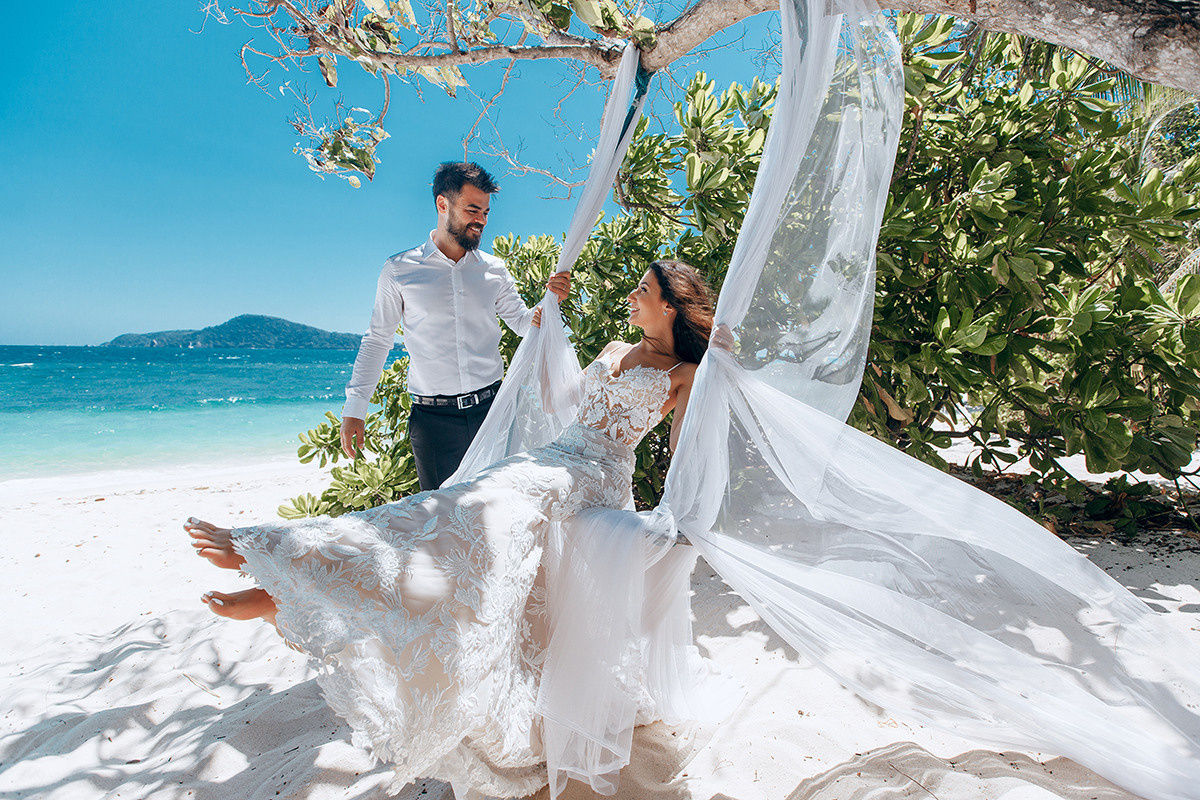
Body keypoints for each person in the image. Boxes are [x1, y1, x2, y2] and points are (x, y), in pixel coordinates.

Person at [185, 260, 717, 798]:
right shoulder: (610, 351)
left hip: (595, 477)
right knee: (449, 503)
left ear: (669, 305)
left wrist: (681, 511)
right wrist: (546, 322)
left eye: (643, 289)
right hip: (555, 455)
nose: (631, 293)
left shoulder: (686, 374)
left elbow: (681, 450)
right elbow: (564, 402)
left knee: (479, 505)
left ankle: (292, 573)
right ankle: (292, 565)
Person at [340, 161, 571, 491]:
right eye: (473, 209)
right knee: (441, 523)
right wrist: (355, 408)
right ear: (442, 204)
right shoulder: (399, 270)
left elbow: (523, 323)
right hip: (433, 423)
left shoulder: (494, 270)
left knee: (501, 512)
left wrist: (549, 301)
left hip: (494, 413)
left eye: (486, 213)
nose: (480, 221)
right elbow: (378, 340)